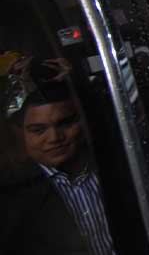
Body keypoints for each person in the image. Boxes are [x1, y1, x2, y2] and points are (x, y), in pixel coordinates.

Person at [2, 75, 115, 254]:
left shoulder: (115, 169)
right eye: (39, 130)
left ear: (83, 123)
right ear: (23, 135)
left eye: (65, 124)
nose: (54, 138)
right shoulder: (12, 195)